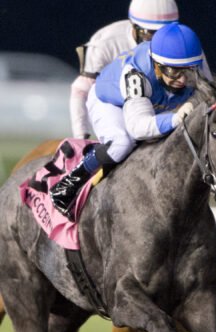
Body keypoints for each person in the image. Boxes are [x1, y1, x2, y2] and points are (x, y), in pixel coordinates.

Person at [50, 22, 206, 219]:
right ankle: (69, 184)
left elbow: (209, 94)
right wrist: (176, 118)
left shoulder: (192, 61)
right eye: (174, 72)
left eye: (189, 71)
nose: (183, 80)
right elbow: (138, 128)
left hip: (148, 102)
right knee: (122, 142)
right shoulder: (136, 74)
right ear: (156, 66)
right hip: (110, 101)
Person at [70, 0, 181, 141]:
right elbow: (81, 89)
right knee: (122, 143)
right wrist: (81, 137)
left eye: (164, 33)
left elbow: (206, 82)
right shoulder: (106, 43)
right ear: (133, 25)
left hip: (156, 101)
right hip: (114, 105)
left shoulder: (182, 41)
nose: (157, 41)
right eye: (150, 33)